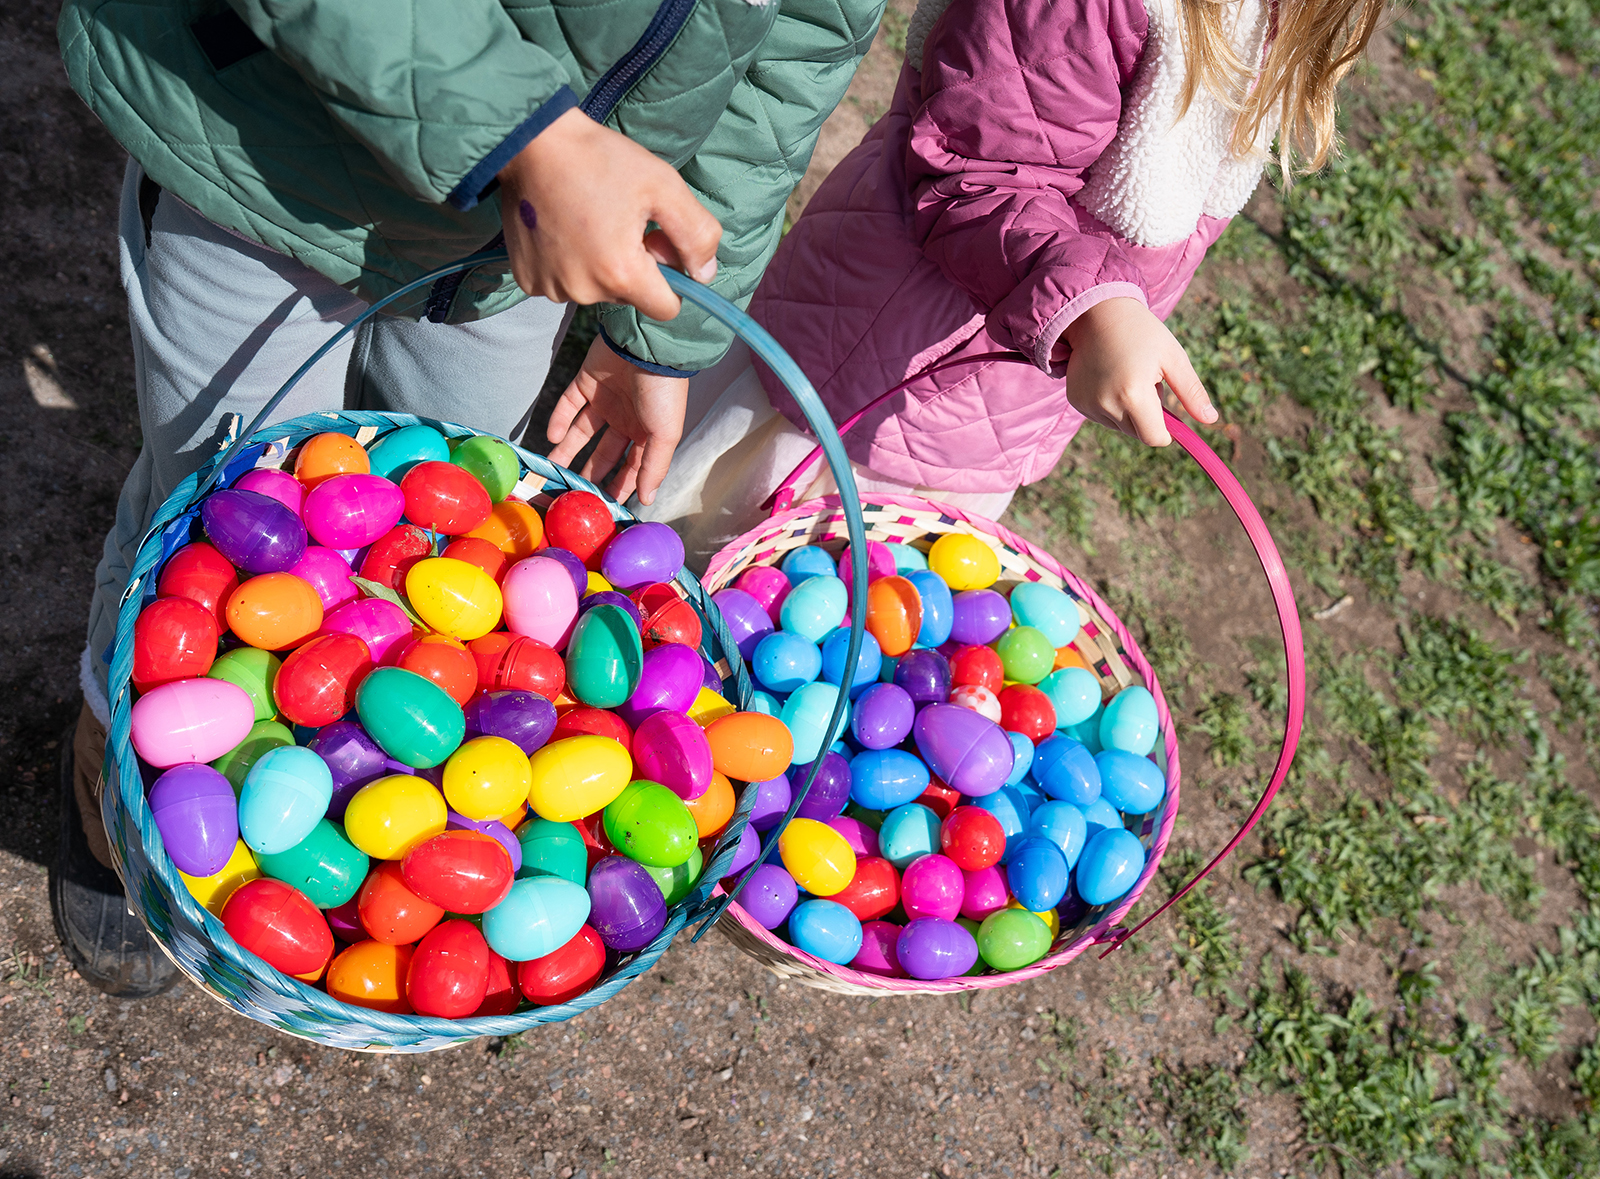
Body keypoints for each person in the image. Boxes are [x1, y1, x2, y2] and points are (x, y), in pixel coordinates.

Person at [53, 0, 884, 995]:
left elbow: (782, 68)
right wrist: (524, 134)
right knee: (207, 526)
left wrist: (659, 328)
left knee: (459, 509)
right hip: (264, 160)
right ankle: (113, 773)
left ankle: (286, 759)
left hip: (507, 260)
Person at [633, 0, 1386, 563]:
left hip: (990, 405)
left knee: (849, 626)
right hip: (858, 370)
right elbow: (978, 165)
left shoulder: (1286, 16)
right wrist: (1094, 313)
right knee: (710, 553)